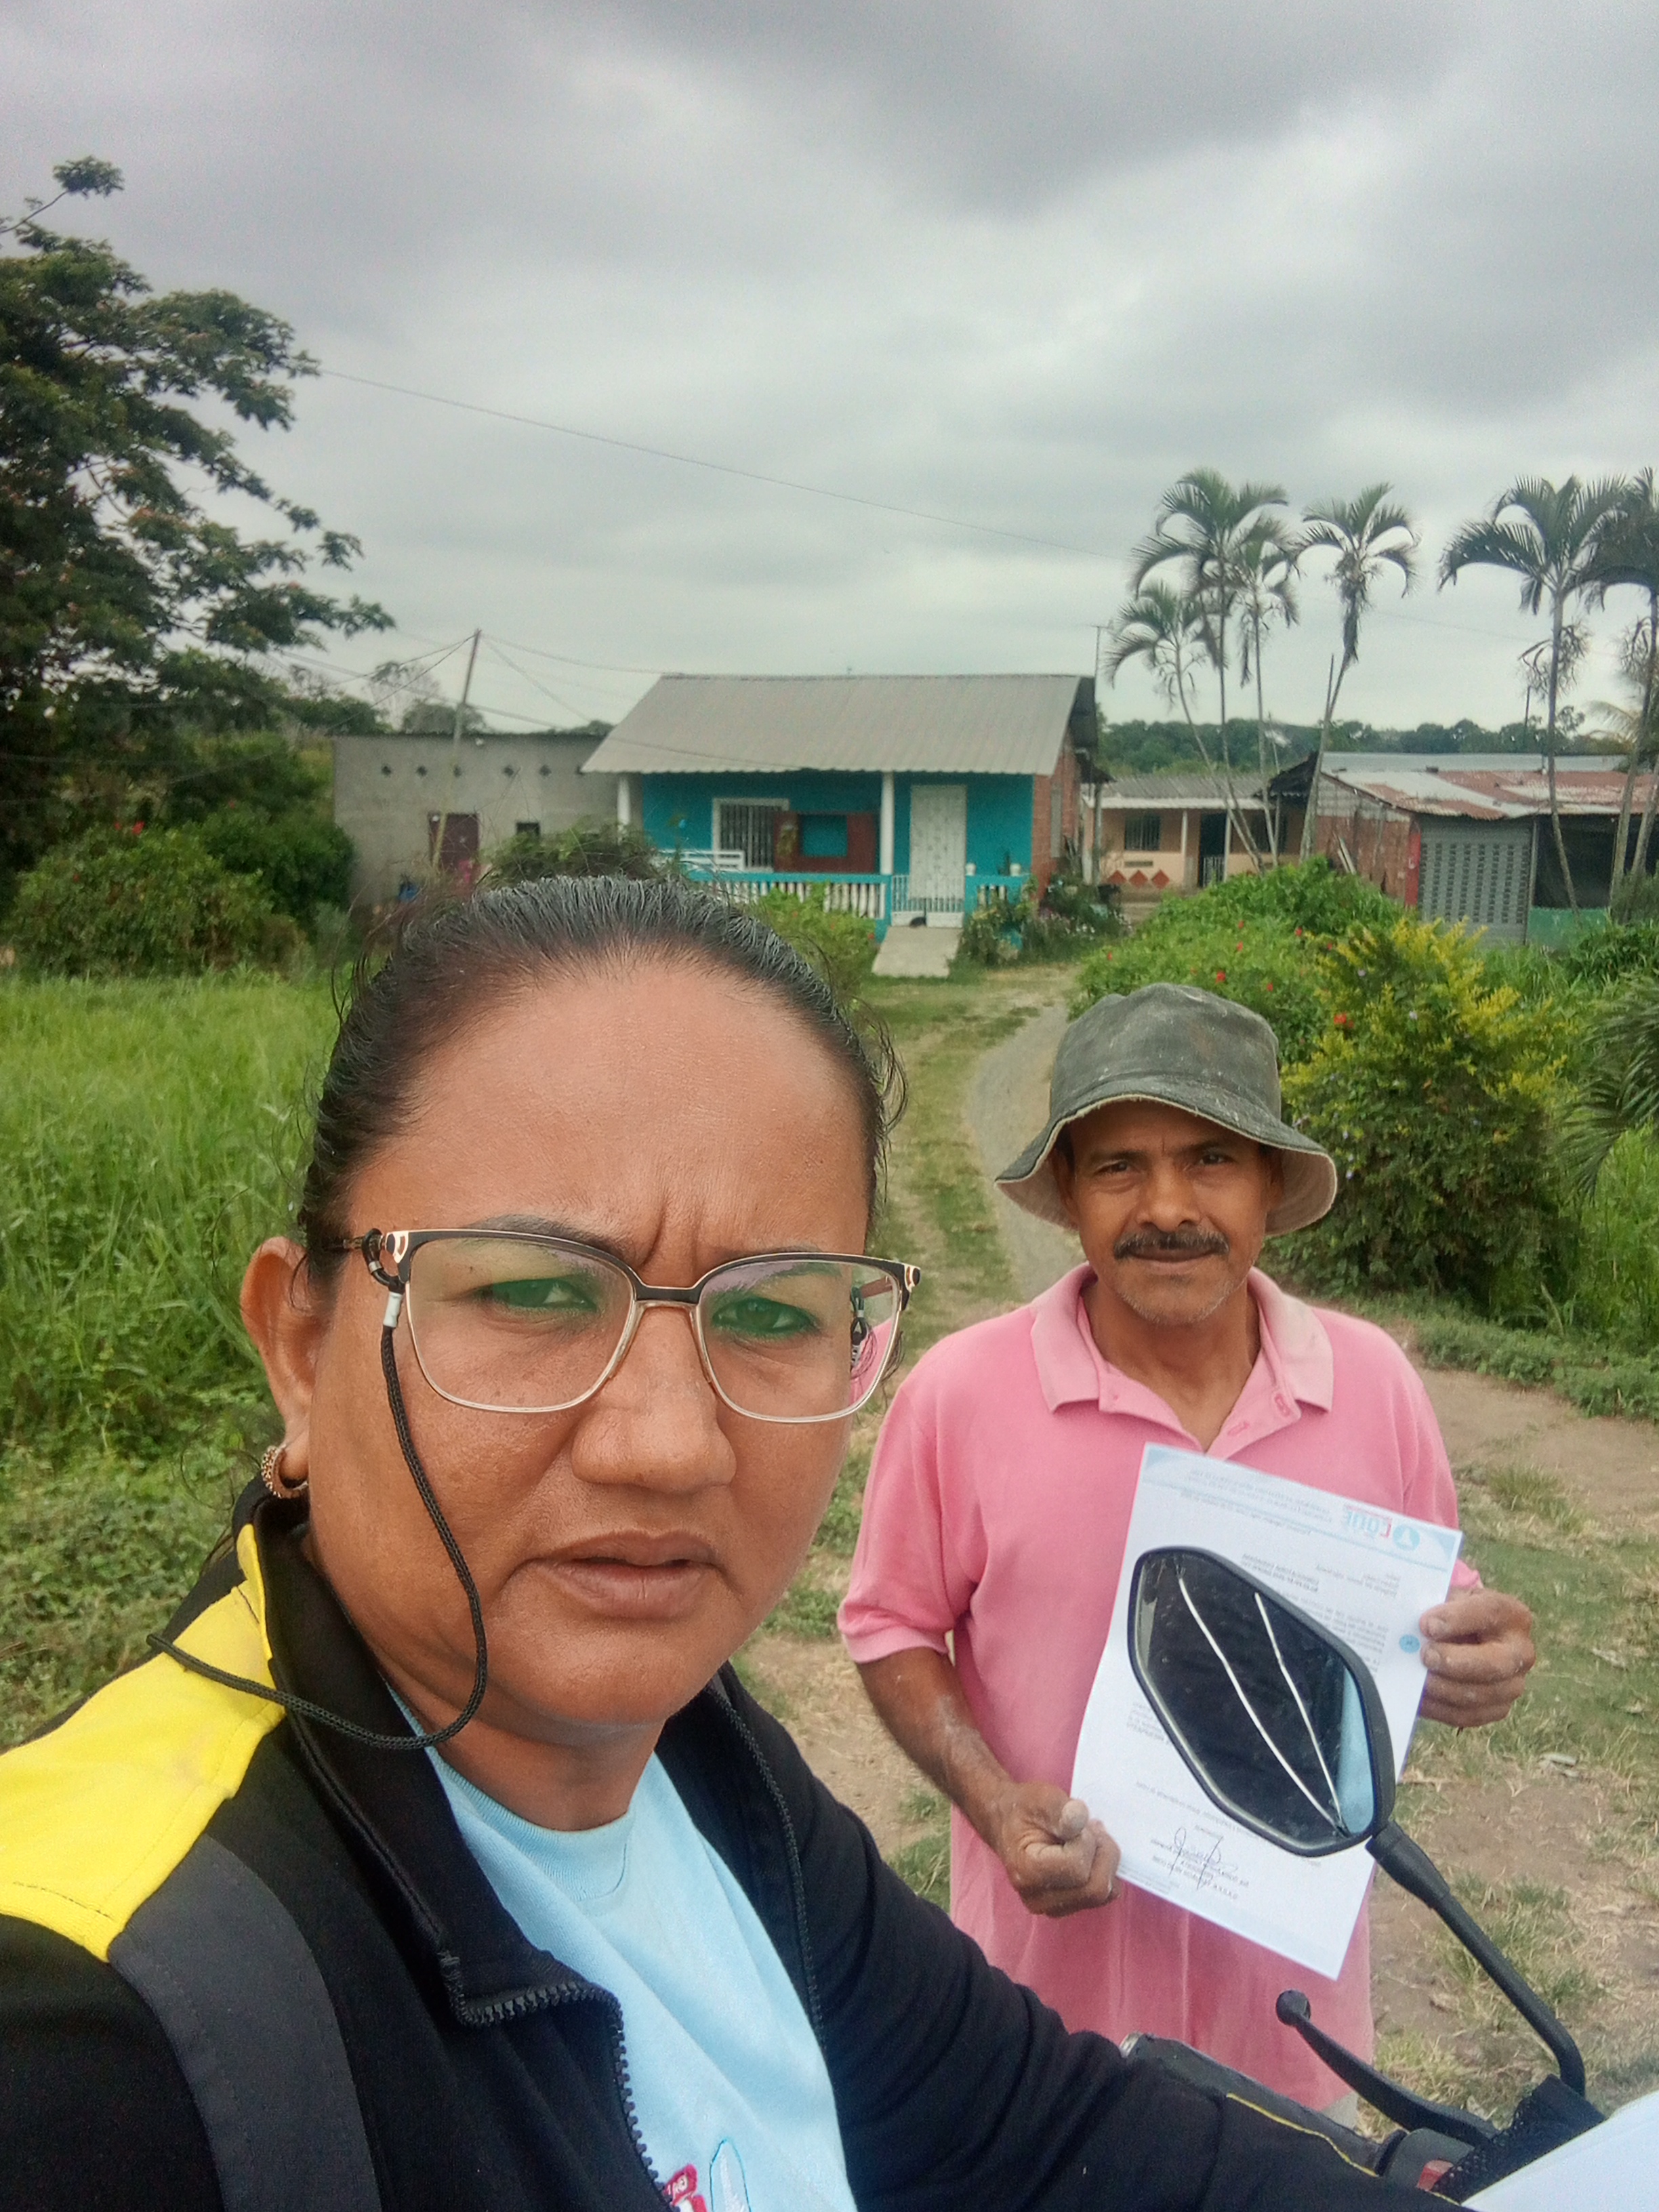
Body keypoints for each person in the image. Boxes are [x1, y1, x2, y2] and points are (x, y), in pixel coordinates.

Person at [0, 886, 1402, 2211]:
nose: (669, 1446)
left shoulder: (710, 1774)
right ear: (303, 1348)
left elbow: (1040, 2135)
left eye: (777, 1312)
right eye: (534, 1292)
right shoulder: (102, 2018)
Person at [842, 981, 1536, 2111]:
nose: (1166, 1207)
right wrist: (994, 1801)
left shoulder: (1372, 1385)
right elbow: (890, 1624)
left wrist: (1479, 1655)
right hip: (1043, 2037)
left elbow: (1435, 1605)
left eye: (1211, 1159)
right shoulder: (959, 1397)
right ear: (1070, 1193)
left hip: (1297, 2041)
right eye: (1119, 1166)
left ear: (1269, 1184)